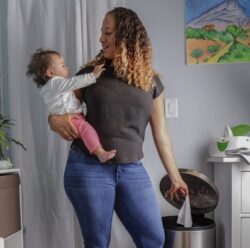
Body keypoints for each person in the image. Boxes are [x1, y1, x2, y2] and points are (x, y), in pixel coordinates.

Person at [48, 7, 188, 248]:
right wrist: (54, 120)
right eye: (102, 32)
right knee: (97, 242)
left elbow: (161, 134)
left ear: (127, 36)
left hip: (132, 169)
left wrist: (176, 177)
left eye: (108, 32)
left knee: (154, 239)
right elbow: (59, 105)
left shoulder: (150, 82)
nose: (101, 38)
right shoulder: (91, 75)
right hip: (88, 167)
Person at [26, 49, 116, 163]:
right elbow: (72, 83)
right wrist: (93, 76)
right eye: (62, 66)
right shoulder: (55, 82)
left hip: (71, 117)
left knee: (86, 131)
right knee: (87, 130)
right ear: (50, 73)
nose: (67, 68)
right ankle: (100, 152)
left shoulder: (51, 87)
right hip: (71, 119)